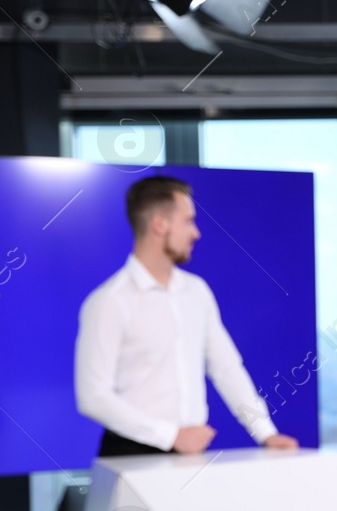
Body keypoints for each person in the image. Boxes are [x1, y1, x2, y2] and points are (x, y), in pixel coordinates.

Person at [75, 175, 298, 457]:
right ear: (159, 224)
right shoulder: (109, 301)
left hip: (190, 453)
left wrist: (266, 433)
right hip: (131, 455)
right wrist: (171, 436)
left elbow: (226, 368)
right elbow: (93, 396)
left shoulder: (196, 291)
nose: (196, 233)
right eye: (188, 221)